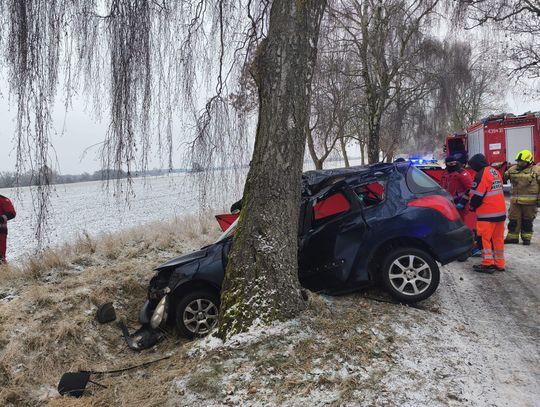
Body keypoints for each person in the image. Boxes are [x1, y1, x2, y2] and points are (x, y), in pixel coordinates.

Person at [467, 154, 506, 273]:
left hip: (486, 214)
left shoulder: (481, 175)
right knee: (498, 239)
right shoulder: (495, 172)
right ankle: (500, 263)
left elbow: (477, 195)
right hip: (500, 212)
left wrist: (472, 206)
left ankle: (487, 263)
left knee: (484, 239)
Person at [503, 150, 540, 245]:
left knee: (527, 221)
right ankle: (512, 238)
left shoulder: (537, 170)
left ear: (529, 161)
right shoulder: (513, 169)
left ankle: (526, 239)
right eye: (518, 161)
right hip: (515, 202)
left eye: (522, 162)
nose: (520, 163)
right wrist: (502, 169)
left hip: (530, 203)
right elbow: (503, 178)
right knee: (513, 220)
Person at [0, 194, 16, 263]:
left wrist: (1, 218)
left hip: (1, 232)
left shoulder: (3, 199)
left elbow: (12, 213)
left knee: (1, 257)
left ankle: (4, 269)